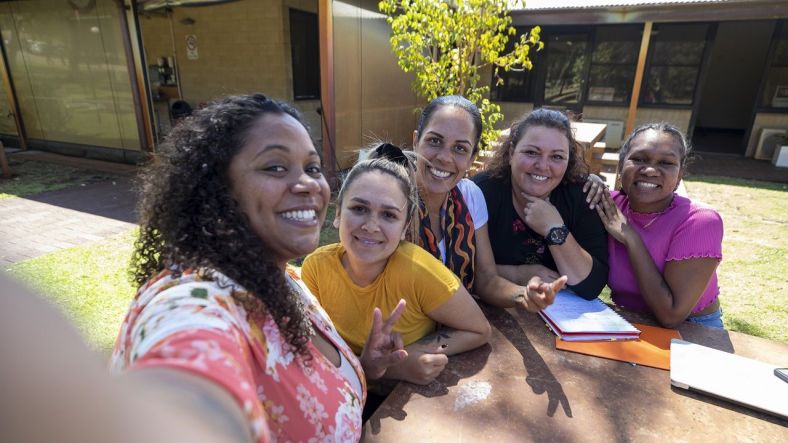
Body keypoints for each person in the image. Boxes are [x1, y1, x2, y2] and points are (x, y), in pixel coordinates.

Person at [112, 94, 408, 442]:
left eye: (312, 168)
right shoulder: (192, 300)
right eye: (275, 167)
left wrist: (365, 367)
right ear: (218, 190)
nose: (308, 184)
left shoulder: (289, 280)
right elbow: (184, 377)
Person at [302, 144, 501, 386]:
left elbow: (479, 330)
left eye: (389, 215)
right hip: (342, 394)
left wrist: (422, 352)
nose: (371, 226)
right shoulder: (316, 268)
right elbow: (315, 356)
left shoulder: (419, 271)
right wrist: (388, 368)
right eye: (359, 208)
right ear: (338, 214)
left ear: (405, 228)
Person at [412, 95, 567, 310]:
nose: (445, 157)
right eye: (435, 141)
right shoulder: (391, 197)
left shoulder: (470, 197)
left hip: (457, 326)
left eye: (460, 148)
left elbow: (486, 279)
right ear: (415, 141)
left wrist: (523, 295)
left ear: (472, 157)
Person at [585, 123, 724, 328]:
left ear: (679, 176)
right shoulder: (608, 204)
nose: (650, 170)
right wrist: (589, 178)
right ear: (621, 165)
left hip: (692, 327)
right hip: (627, 318)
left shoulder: (699, 221)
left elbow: (671, 316)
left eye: (666, 163)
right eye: (639, 159)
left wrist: (630, 238)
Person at [472, 108, 609, 299]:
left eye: (557, 157)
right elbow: (460, 267)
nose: (543, 166)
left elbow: (592, 286)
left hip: (562, 319)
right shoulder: (481, 192)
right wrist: (518, 274)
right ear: (511, 153)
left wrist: (554, 228)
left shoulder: (583, 195)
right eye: (531, 152)